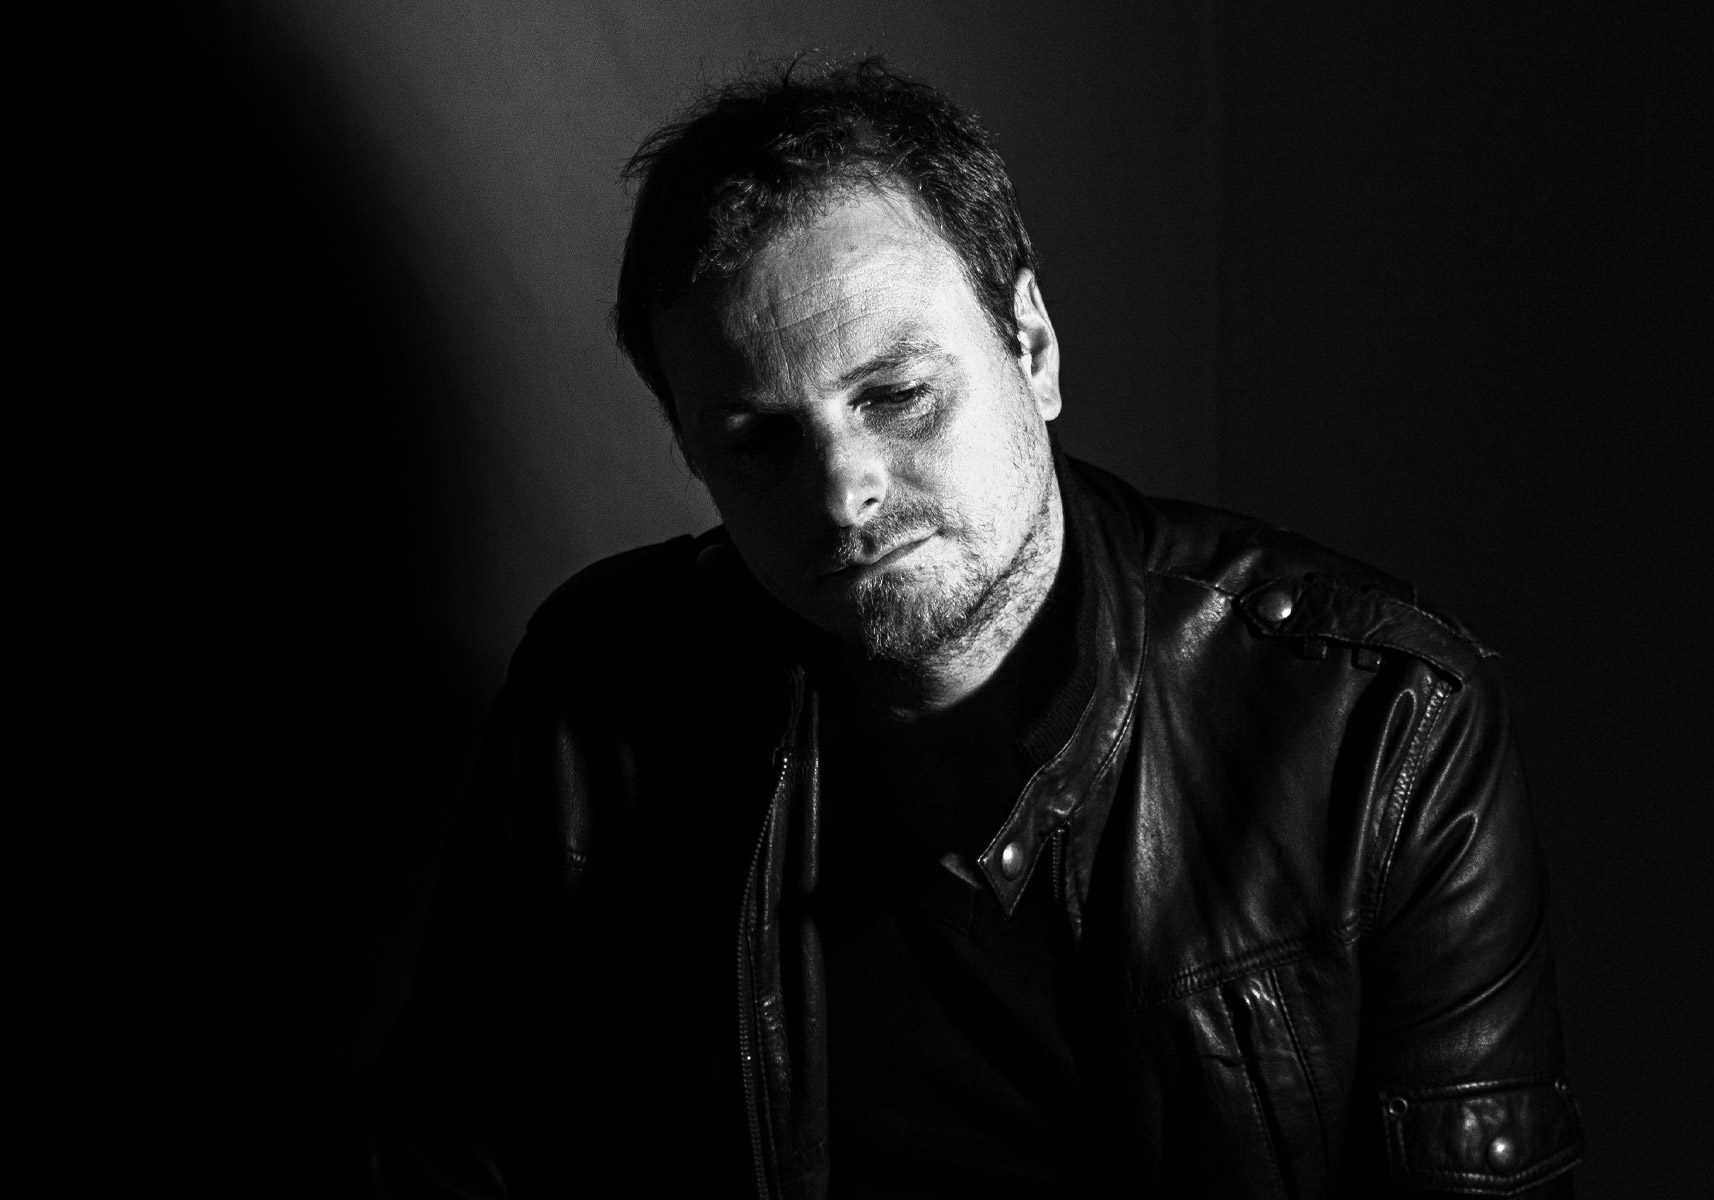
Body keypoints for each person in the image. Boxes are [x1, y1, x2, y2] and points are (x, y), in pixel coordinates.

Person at [370, 58, 1584, 1198]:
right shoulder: (603, 690)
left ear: (1033, 348)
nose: (842, 492)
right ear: (692, 452)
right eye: (758, 442)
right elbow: (457, 1157)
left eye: (898, 395)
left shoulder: (1378, 721)